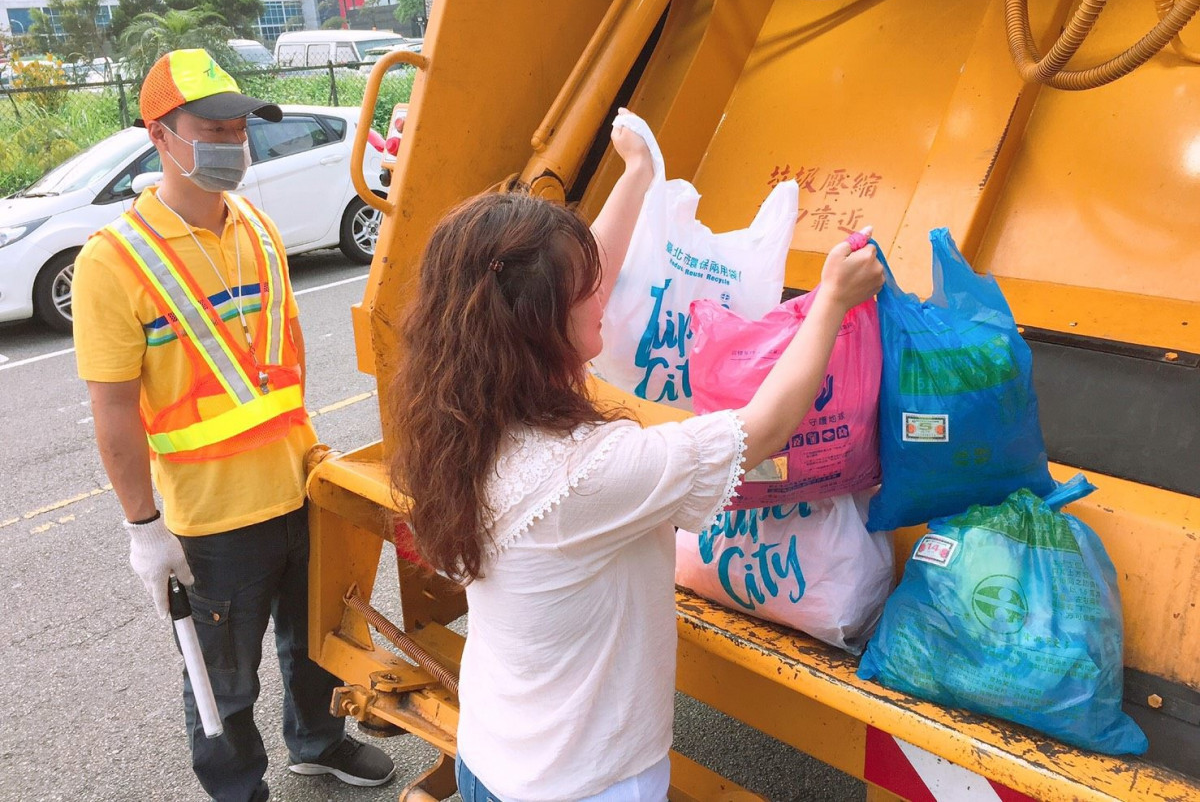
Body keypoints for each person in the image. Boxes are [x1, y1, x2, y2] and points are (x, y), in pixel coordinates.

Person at [387, 113, 885, 801]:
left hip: (492, 760)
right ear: (539, 323)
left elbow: (569, 279)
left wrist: (639, 174)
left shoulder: (464, 418)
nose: (608, 295)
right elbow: (764, 429)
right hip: (585, 785)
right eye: (585, 291)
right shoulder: (589, 474)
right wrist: (831, 299)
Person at [73, 48, 395, 802]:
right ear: (160, 135)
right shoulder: (113, 261)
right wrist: (143, 528)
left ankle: (317, 743)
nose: (231, 141)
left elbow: (279, 365)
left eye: (238, 125)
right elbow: (113, 410)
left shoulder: (254, 225)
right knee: (222, 673)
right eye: (210, 127)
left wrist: (315, 459)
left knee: (315, 642)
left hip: (298, 486)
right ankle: (237, 787)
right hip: (211, 520)